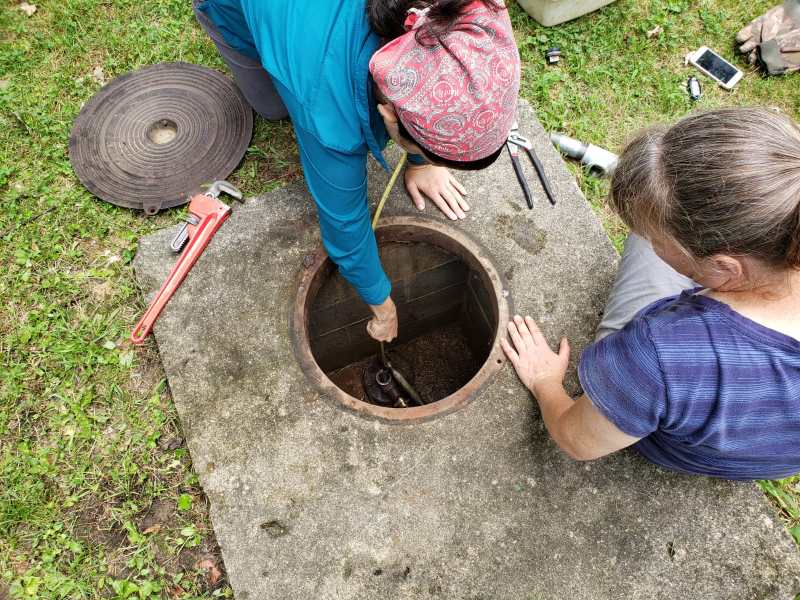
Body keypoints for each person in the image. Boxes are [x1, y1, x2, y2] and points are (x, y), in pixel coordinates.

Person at [192, 0, 520, 342]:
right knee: (274, 107)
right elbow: (344, 224)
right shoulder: (325, 108)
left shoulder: (446, 9)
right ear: (391, 116)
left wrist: (422, 162)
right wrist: (382, 305)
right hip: (239, 10)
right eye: (429, 151)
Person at [501, 108, 800, 481]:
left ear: (725, 268)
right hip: (772, 450)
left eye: (660, 240)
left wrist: (544, 381)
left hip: (683, 448)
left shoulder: (657, 355)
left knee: (648, 237)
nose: (650, 238)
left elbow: (575, 440)